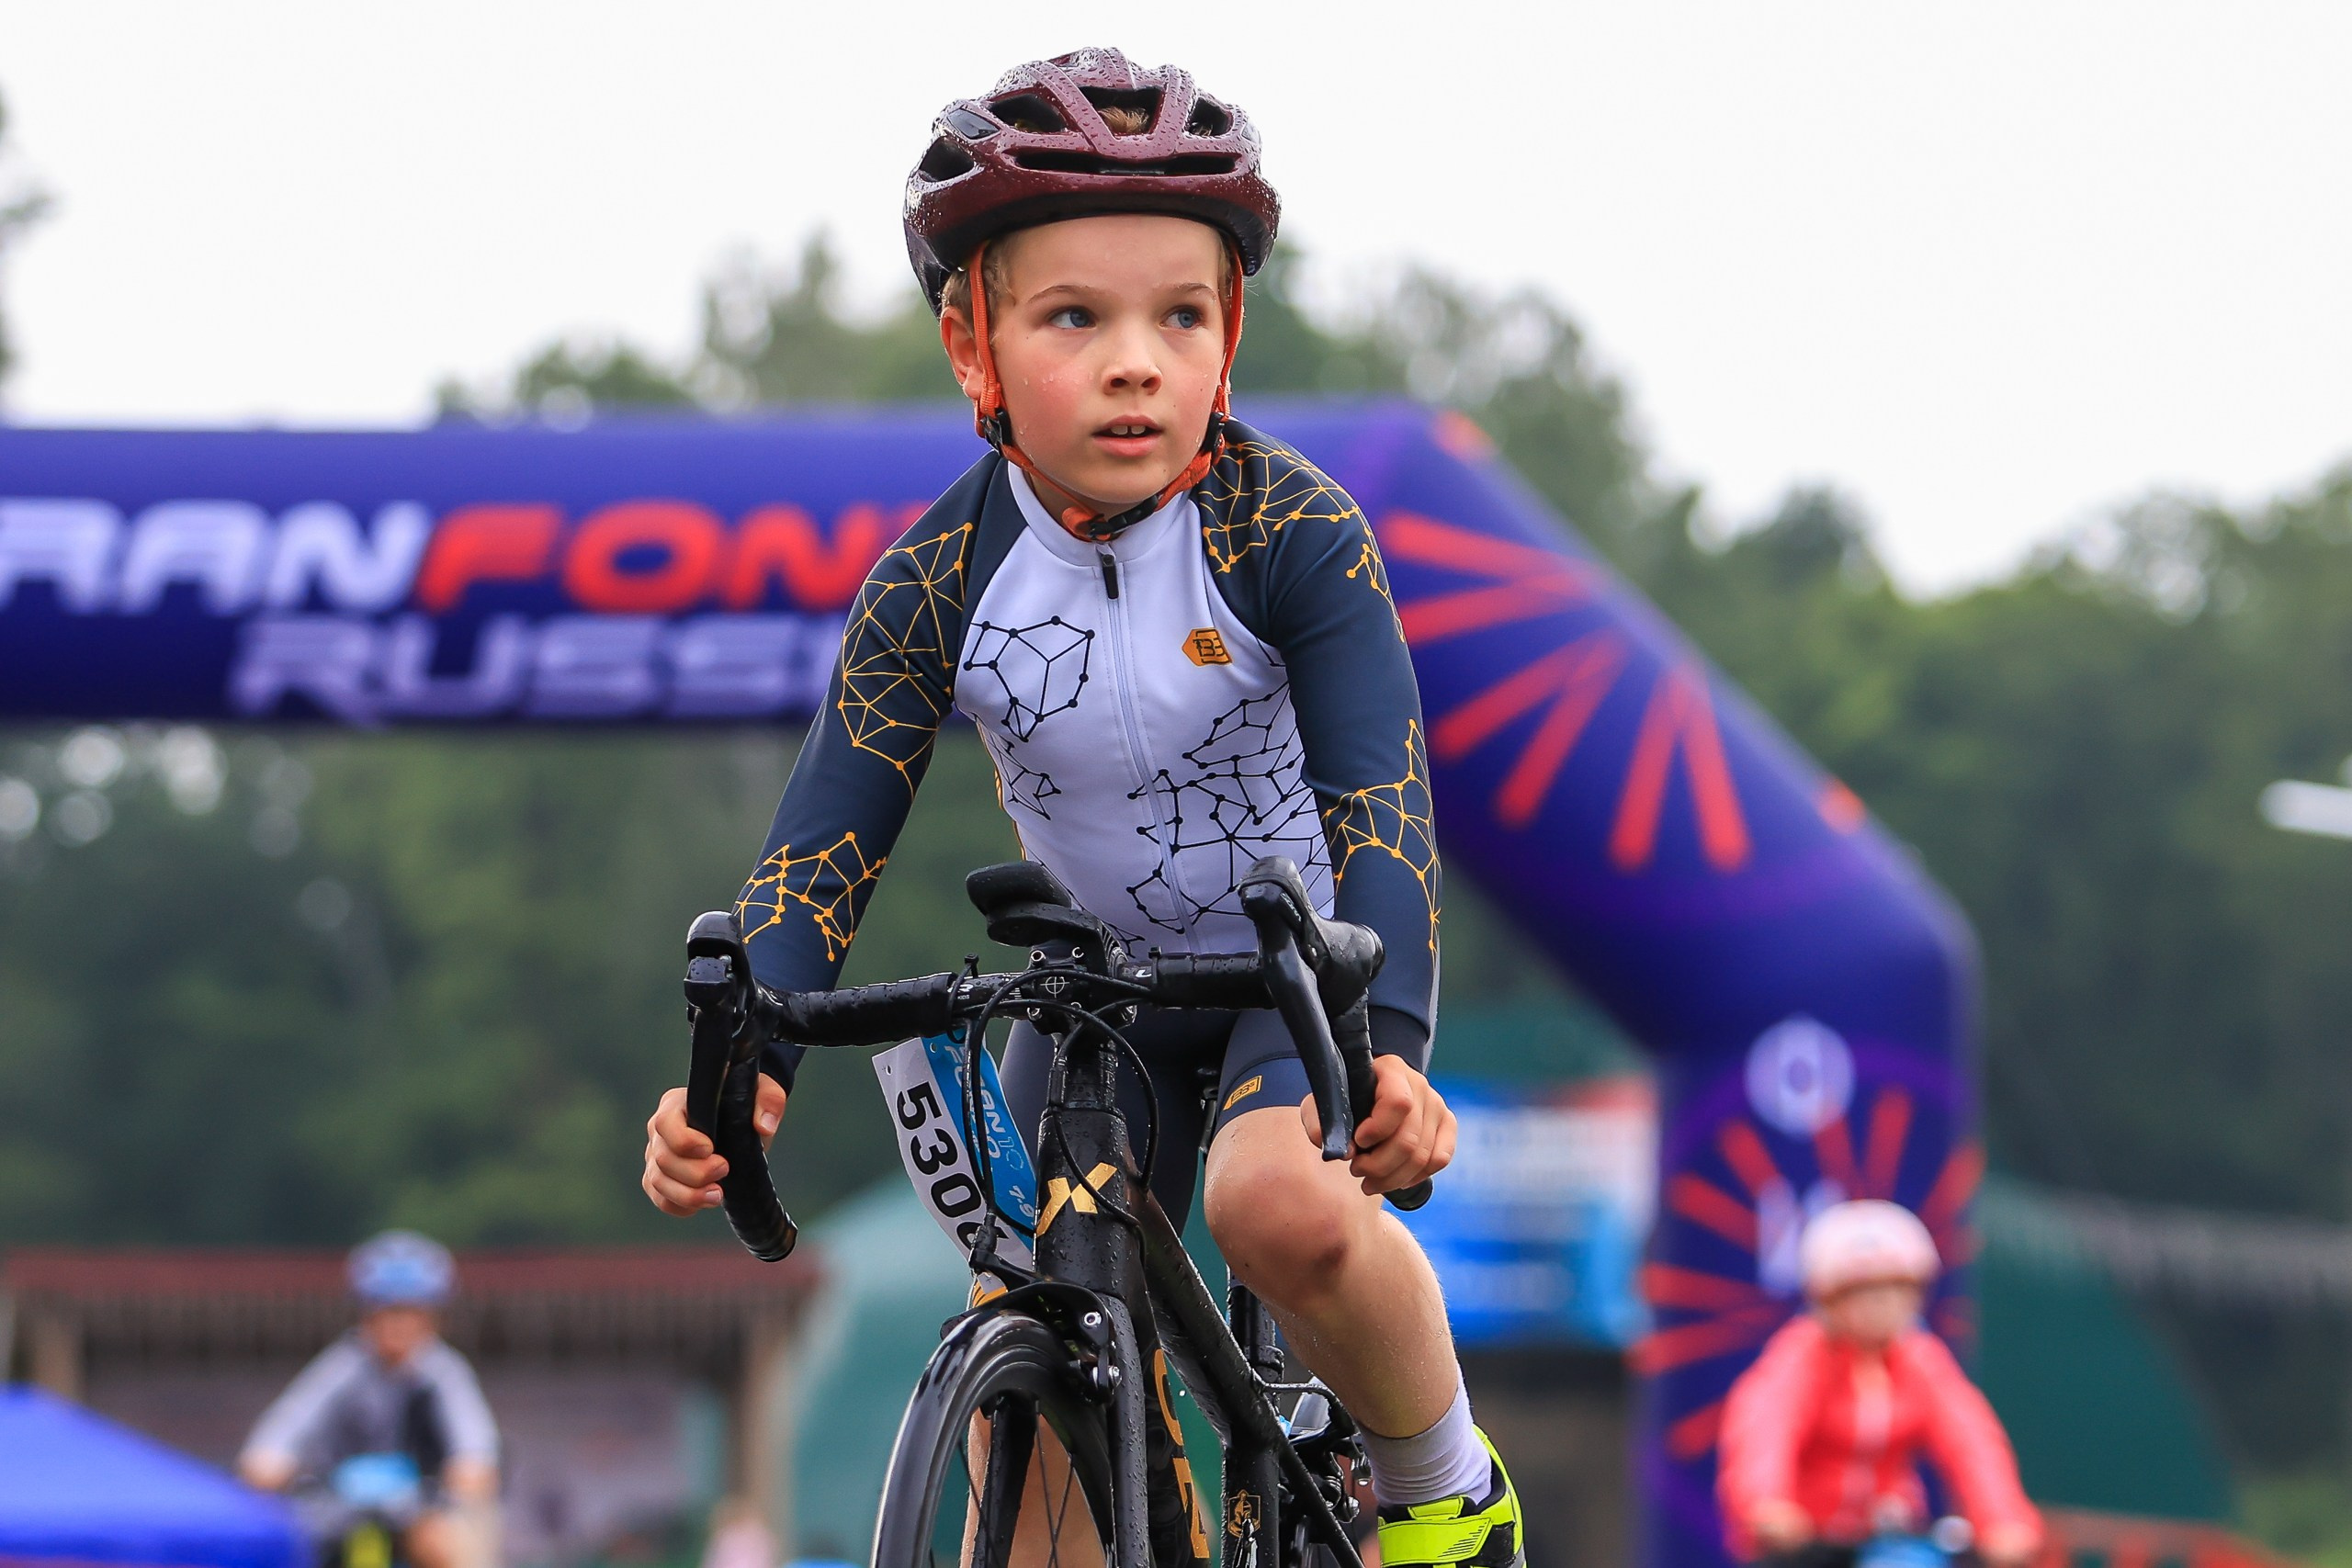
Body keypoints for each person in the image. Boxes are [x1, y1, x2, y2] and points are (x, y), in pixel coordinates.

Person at [641, 47, 1522, 1568]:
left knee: (1278, 1212)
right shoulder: (933, 579)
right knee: (1031, 1361)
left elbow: (1380, 803)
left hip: (1290, 971)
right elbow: (822, 851)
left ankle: (1449, 1489)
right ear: (971, 341)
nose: (1137, 362)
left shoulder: (1297, 531)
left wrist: (1389, 1056)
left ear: (1229, 333)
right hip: (1091, 987)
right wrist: (746, 1062)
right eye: (1076, 317)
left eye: (1180, 316)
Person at [1716, 1201, 2041, 1568]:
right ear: (1829, 1299)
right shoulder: (1801, 1357)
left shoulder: (1921, 1359)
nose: (1884, 1306)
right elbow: (1764, 1431)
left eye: (1899, 1291)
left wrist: (2004, 1521)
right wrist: (1767, 1505)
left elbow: (1972, 1441)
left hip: (1892, 1538)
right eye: (1864, 1293)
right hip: (1810, 1547)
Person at [240, 1230, 500, 1568]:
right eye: (386, 1310)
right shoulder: (342, 1367)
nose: (397, 1323)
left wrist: (471, 1467)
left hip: (420, 1509)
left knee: (447, 1542)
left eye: (409, 1311)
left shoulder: (444, 1372)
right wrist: (268, 1457)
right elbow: (291, 1420)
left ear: (432, 1318)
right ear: (366, 1314)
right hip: (335, 1510)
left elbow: (473, 1438)